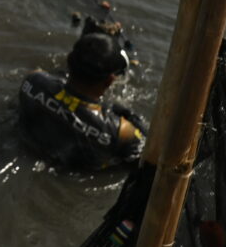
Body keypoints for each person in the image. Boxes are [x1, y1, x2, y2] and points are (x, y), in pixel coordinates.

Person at [18, 26, 146, 171]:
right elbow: (142, 162)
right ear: (110, 80)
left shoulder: (33, 81)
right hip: (70, 176)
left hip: (26, 149)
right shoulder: (121, 131)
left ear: (69, 60)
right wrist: (133, 118)